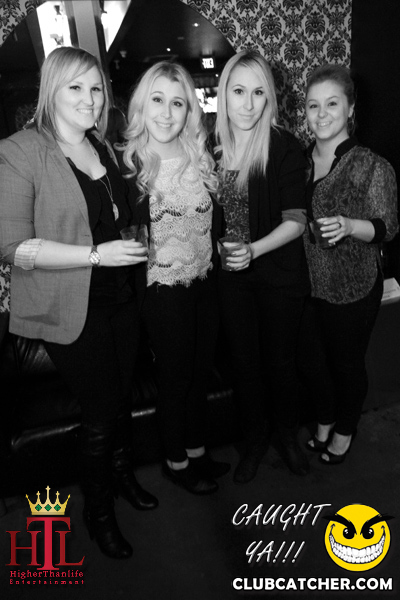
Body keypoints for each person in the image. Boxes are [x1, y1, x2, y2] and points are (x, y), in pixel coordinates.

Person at [0, 46, 158, 560]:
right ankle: (99, 511)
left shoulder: (102, 146)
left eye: (96, 88)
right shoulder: (20, 151)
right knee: (100, 410)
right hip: (70, 308)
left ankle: (122, 475)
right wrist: (95, 255)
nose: (90, 99)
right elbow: (13, 248)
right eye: (76, 87)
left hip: (122, 297)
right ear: (51, 91)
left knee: (120, 398)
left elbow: (118, 218)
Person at [121, 60, 229, 495]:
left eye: (178, 103)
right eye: (157, 100)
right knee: (175, 379)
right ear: (141, 107)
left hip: (205, 284)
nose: (167, 113)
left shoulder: (201, 158)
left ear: (190, 111)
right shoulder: (128, 167)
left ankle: (198, 451)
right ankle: (176, 461)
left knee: (201, 374)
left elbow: (214, 225)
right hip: (162, 292)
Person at [214, 50, 310, 483]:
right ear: (224, 94)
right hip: (232, 280)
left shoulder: (284, 146)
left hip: (279, 276)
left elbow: (296, 220)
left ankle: (287, 436)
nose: (248, 104)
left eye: (258, 93)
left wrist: (253, 250)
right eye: (239, 91)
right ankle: (254, 442)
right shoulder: (210, 148)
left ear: (269, 97)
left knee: (281, 363)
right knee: (244, 366)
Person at [301, 64, 398, 464]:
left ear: (350, 108)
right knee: (313, 363)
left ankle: (344, 429)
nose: (321, 114)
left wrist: (349, 225)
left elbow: (387, 227)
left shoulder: (372, 165)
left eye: (332, 104)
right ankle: (324, 420)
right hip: (306, 283)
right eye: (313, 106)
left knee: (346, 364)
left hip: (353, 284)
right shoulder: (297, 161)